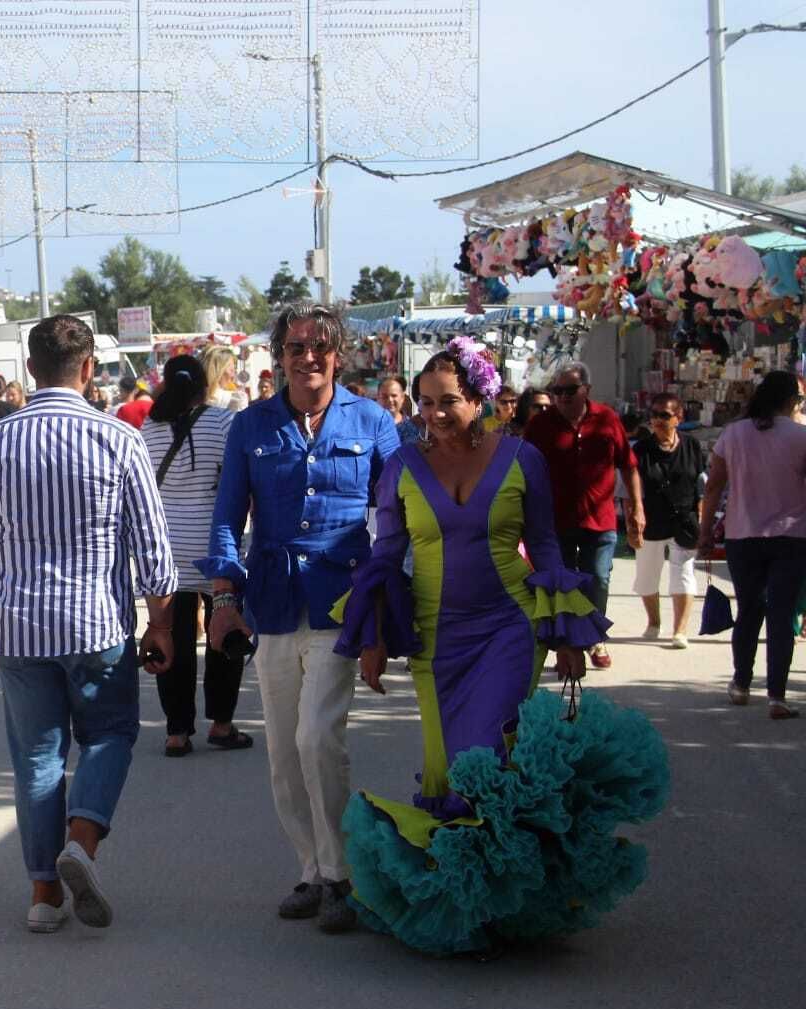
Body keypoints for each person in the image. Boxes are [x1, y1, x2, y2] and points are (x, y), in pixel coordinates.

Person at [335, 340, 663, 956]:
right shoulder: (402, 466)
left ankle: (486, 904)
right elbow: (384, 557)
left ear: (481, 397)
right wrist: (372, 638)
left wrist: (565, 636)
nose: (433, 415)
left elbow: (543, 546)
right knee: (446, 760)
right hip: (436, 637)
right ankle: (475, 903)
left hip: (509, 630)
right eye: (425, 403)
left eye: (449, 402)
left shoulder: (522, 459)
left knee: (483, 754)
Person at [0, 315, 176, 935]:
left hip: (20, 630)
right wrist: (162, 625)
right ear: (88, 368)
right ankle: (81, 838)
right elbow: (152, 548)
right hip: (97, 626)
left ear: (29, 370)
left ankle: (44, 894)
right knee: (109, 737)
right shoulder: (119, 440)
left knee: (37, 760)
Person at [202, 301, 399, 934]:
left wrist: (389, 600)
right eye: (295, 347)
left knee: (318, 737)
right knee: (285, 754)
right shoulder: (250, 426)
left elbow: (396, 518)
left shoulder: (373, 421)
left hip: (344, 605)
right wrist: (225, 600)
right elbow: (228, 517)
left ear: (338, 352)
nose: (307, 357)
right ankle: (313, 870)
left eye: (319, 346)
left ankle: (341, 878)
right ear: (280, 356)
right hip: (274, 606)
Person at [142, 354, 250, 758]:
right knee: (224, 632)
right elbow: (236, 480)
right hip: (213, 544)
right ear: (204, 384)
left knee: (172, 637)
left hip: (166, 546)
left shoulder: (148, 427)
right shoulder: (223, 423)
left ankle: (177, 732)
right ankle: (221, 724)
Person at [699, 370, 806, 719]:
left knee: (749, 610)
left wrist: (704, 532)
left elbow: (713, 486)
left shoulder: (734, 433)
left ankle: (741, 684)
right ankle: (777, 696)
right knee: (782, 614)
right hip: (791, 537)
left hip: (742, 536)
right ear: (791, 400)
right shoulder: (800, 436)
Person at [523, 362, 644, 670]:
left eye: (569, 390)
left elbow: (628, 466)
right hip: (554, 521)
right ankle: (567, 644)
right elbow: (521, 470)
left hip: (599, 519)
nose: (562, 396)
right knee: (563, 584)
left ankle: (594, 638)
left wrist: (637, 508)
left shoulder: (606, 419)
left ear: (586, 390)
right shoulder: (540, 426)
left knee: (598, 580)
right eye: (557, 391)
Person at [632, 393, 702, 648]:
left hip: (684, 519)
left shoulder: (691, 446)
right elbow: (632, 487)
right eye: (654, 415)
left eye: (665, 415)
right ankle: (654, 622)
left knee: (683, 575)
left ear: (679, 418)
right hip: (650, 520)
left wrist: (702, 519)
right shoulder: (641, 450)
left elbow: (699, 484)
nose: (658, 420)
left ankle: (680, 630)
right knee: (647, 577)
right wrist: (634, 518)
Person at [202, 345, 248, 413]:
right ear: (219, 371)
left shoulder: (192, 399)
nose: (233, 375)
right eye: (232, 369)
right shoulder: (237, 400)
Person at [376, 375, 414, 444]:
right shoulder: (369, 425)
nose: (390, 400)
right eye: (385, 396)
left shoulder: (411, 427)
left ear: (402, 398)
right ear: (378, 397)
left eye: (394, 396)